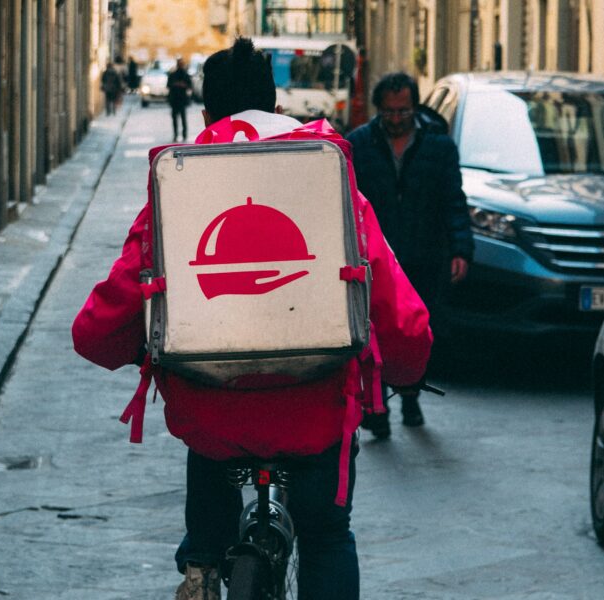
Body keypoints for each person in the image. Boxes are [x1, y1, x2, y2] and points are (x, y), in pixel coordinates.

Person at [72, 38, 431, 600]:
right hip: (316, 412)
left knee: (210, 448)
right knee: (328, 535)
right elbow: (396, 308)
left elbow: (105, 321)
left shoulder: (180, 187)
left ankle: (202, 564)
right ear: (278, 108)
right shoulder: (328, 178)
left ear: (207, 114)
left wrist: (125, 347)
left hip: (213, 416)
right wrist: (406, 369)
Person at [346, 72, 474, 439]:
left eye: (403, 111)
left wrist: (461, 248)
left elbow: (454, 201)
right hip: (378, 261)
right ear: (379, 110)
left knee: (417, 334)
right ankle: (379, 409)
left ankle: (411, 396)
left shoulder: (439, 146)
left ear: (414, 108)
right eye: (389, 112)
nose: (397, 119)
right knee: (377, 335)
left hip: (425, 255)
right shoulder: (360, 145)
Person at [167, 57, 193, 142]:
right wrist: (176, 84)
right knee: (175, 118)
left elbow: (190, 85)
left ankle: (184, 135)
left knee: (182, 118)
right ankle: (176, 135)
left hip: (182, 99)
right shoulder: (173, 74)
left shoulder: (185, 74)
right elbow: (168, 85)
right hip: (175, 99)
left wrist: (183, 85)